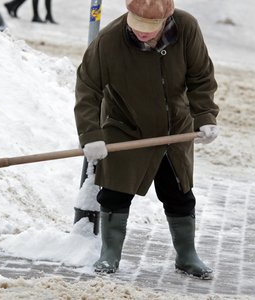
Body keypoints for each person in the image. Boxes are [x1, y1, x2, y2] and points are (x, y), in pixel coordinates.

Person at [74, 0, 219, 280]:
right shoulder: (109, 41)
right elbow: (87, 89)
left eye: (149, 28)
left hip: (175, 128)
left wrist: (205, 117)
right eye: (137, 25)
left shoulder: (186, 28)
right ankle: (110, 254)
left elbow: (201, 78)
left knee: (179, 193)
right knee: (115, 192)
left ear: (166, 19)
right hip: (126, 127)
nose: (141, 32)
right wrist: (91, 135)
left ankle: (187, 256)